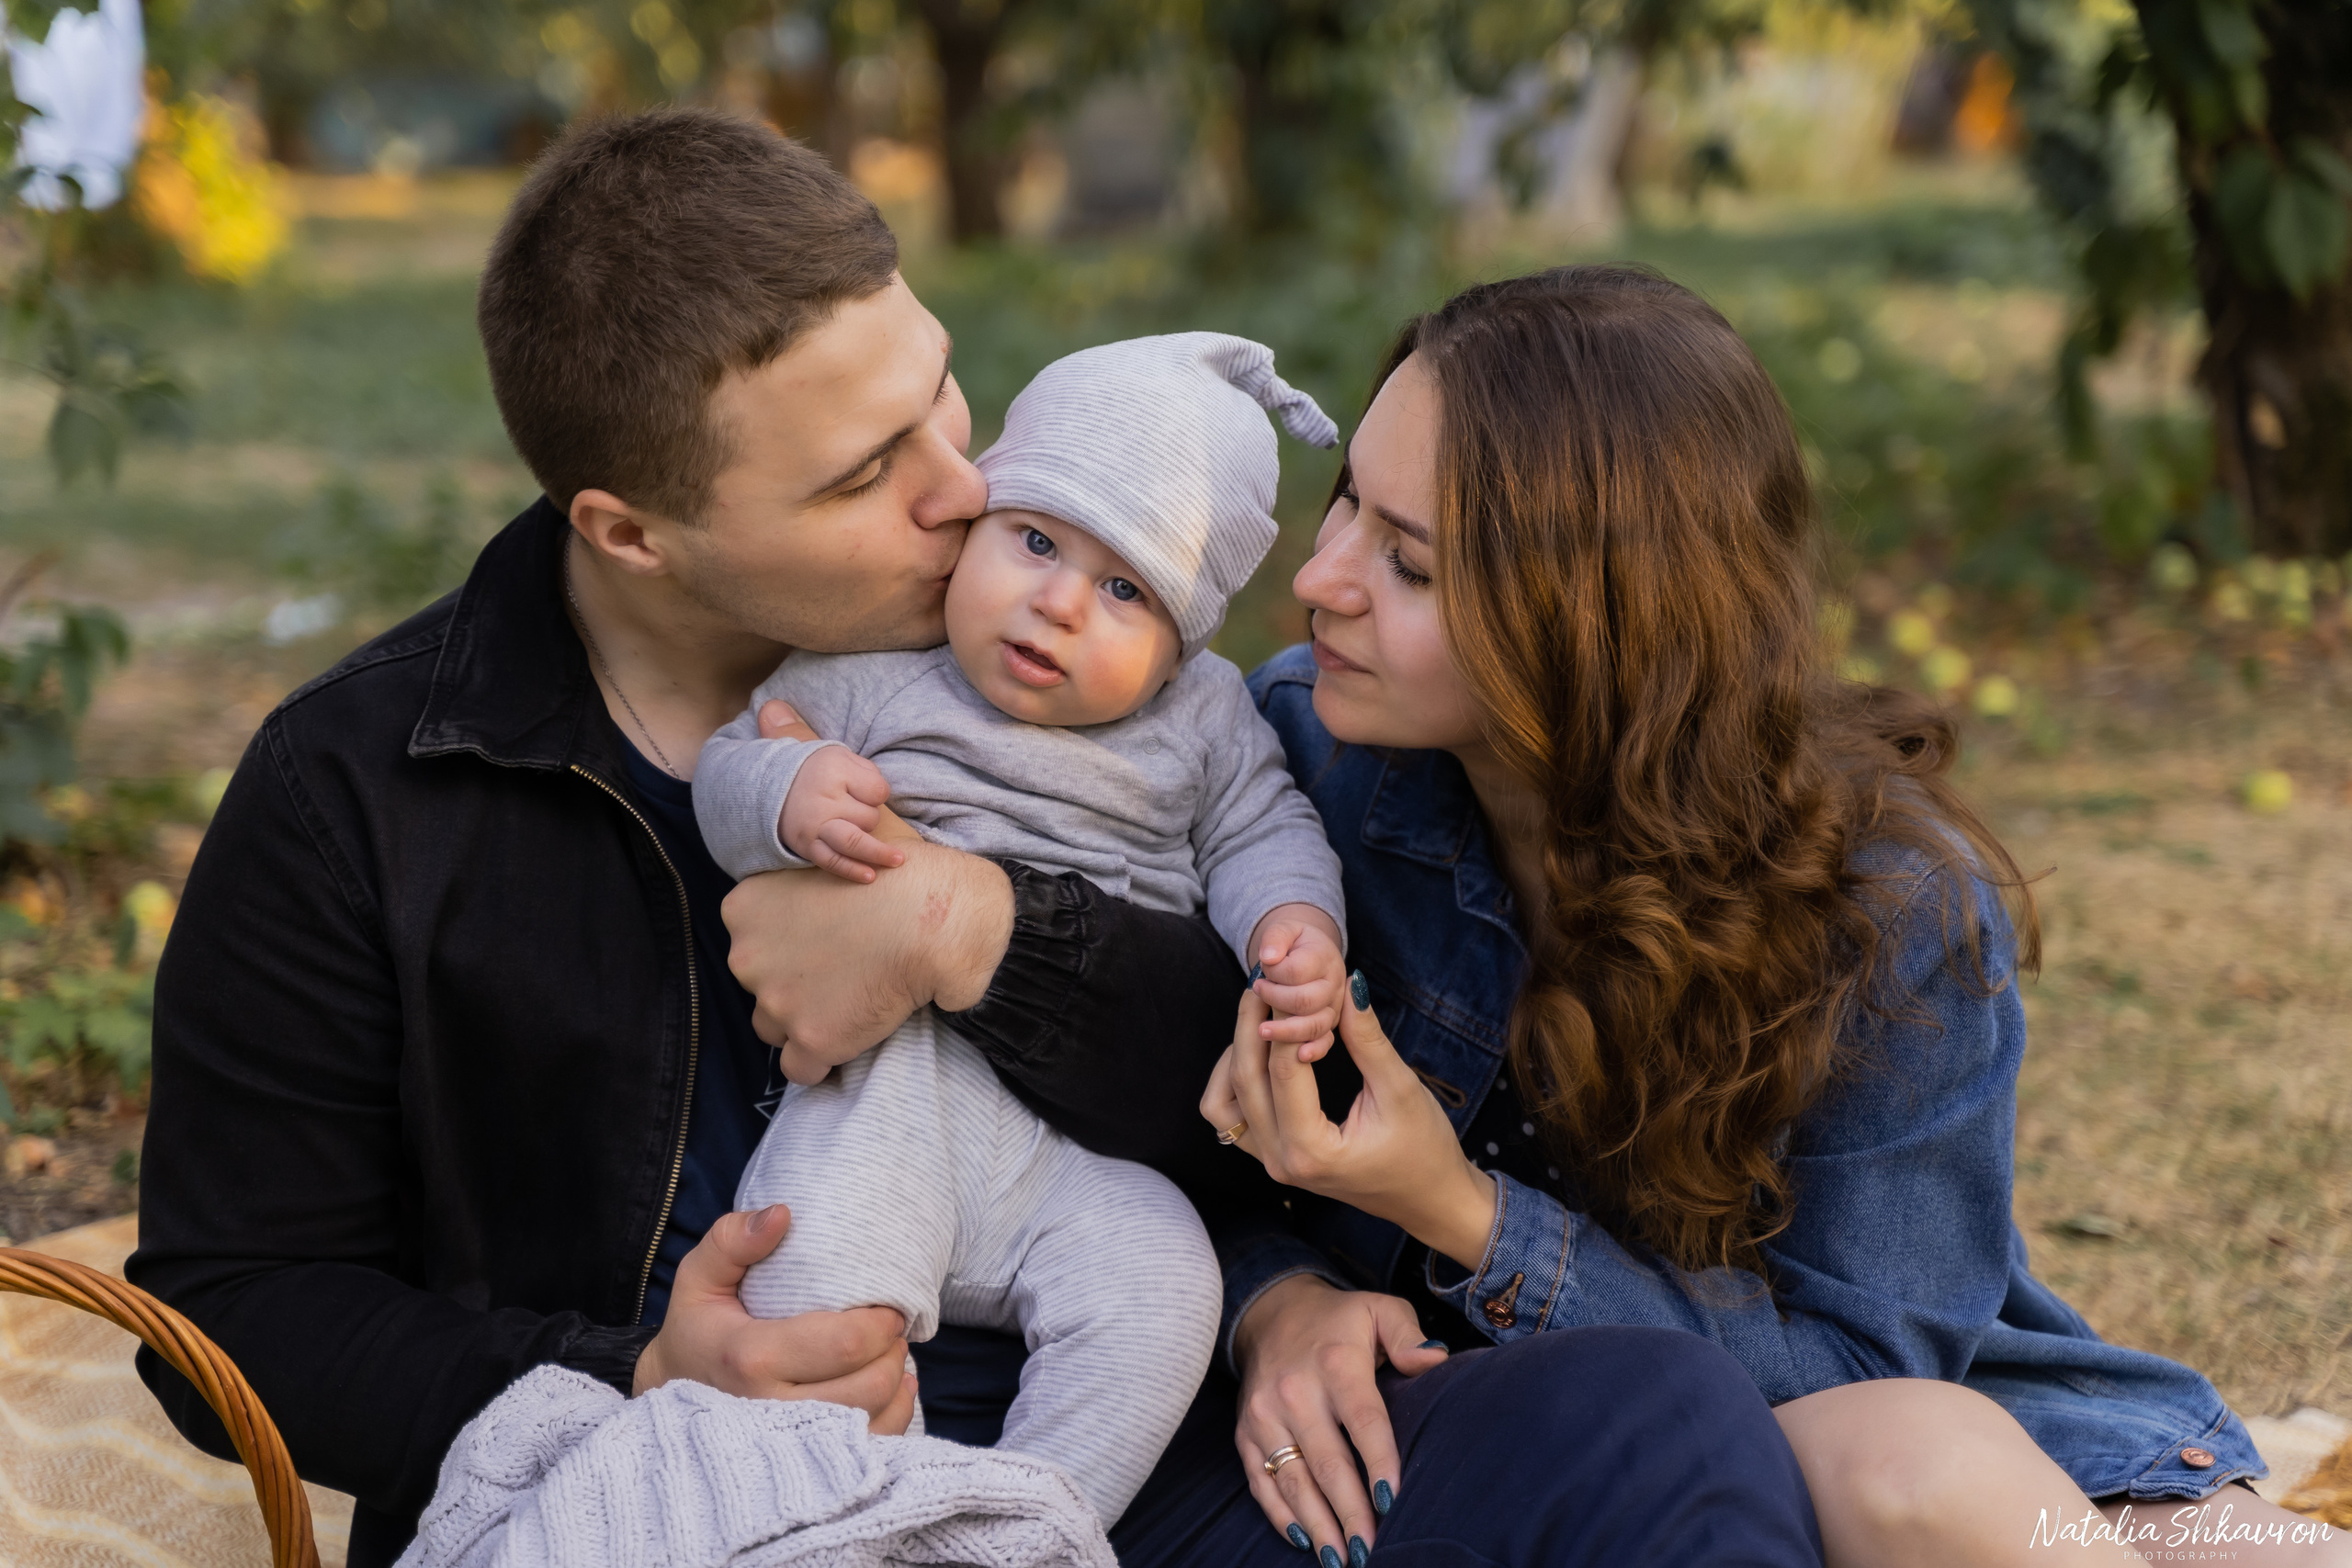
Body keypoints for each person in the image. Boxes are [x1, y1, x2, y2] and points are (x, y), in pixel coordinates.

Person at [124, 108, 1252, 1567]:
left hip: (1109, 1472)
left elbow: (1270, 1124)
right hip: (647, 1504)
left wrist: (971, 928)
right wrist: (640, 1374)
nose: (966, 491)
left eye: (942, 391)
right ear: (632, 532)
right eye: (861, 477)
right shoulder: (353, 793)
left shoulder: (1095, 665)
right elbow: (232, 1307)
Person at [1199, 265, 2344, 1566]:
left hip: (1942, 1426)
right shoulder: (1287, 765)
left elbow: (1870, 1376)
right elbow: (1122, 1143)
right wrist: (1273, 1302)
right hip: (1539, 1454)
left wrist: (1462, 1210)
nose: (1319, 576)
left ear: (1600, 624)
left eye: (1407, 563)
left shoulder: (1891, 904)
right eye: (1349, 500)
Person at [693, 333, 1353, 1526]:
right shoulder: (877, 673)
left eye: (1123, 589)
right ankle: (800, 1518)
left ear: (1185, 638)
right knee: (814, 1273)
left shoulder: (1203, 720)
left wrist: (1296, 927)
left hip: (1083, 1151)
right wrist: (784, 800)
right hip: (896, 1097)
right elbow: (730, 766)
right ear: (979, 517)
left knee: (1165, 1283)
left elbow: (1266, 832)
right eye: (1036, 540)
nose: (1056, 601)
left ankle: (1024, 1528)